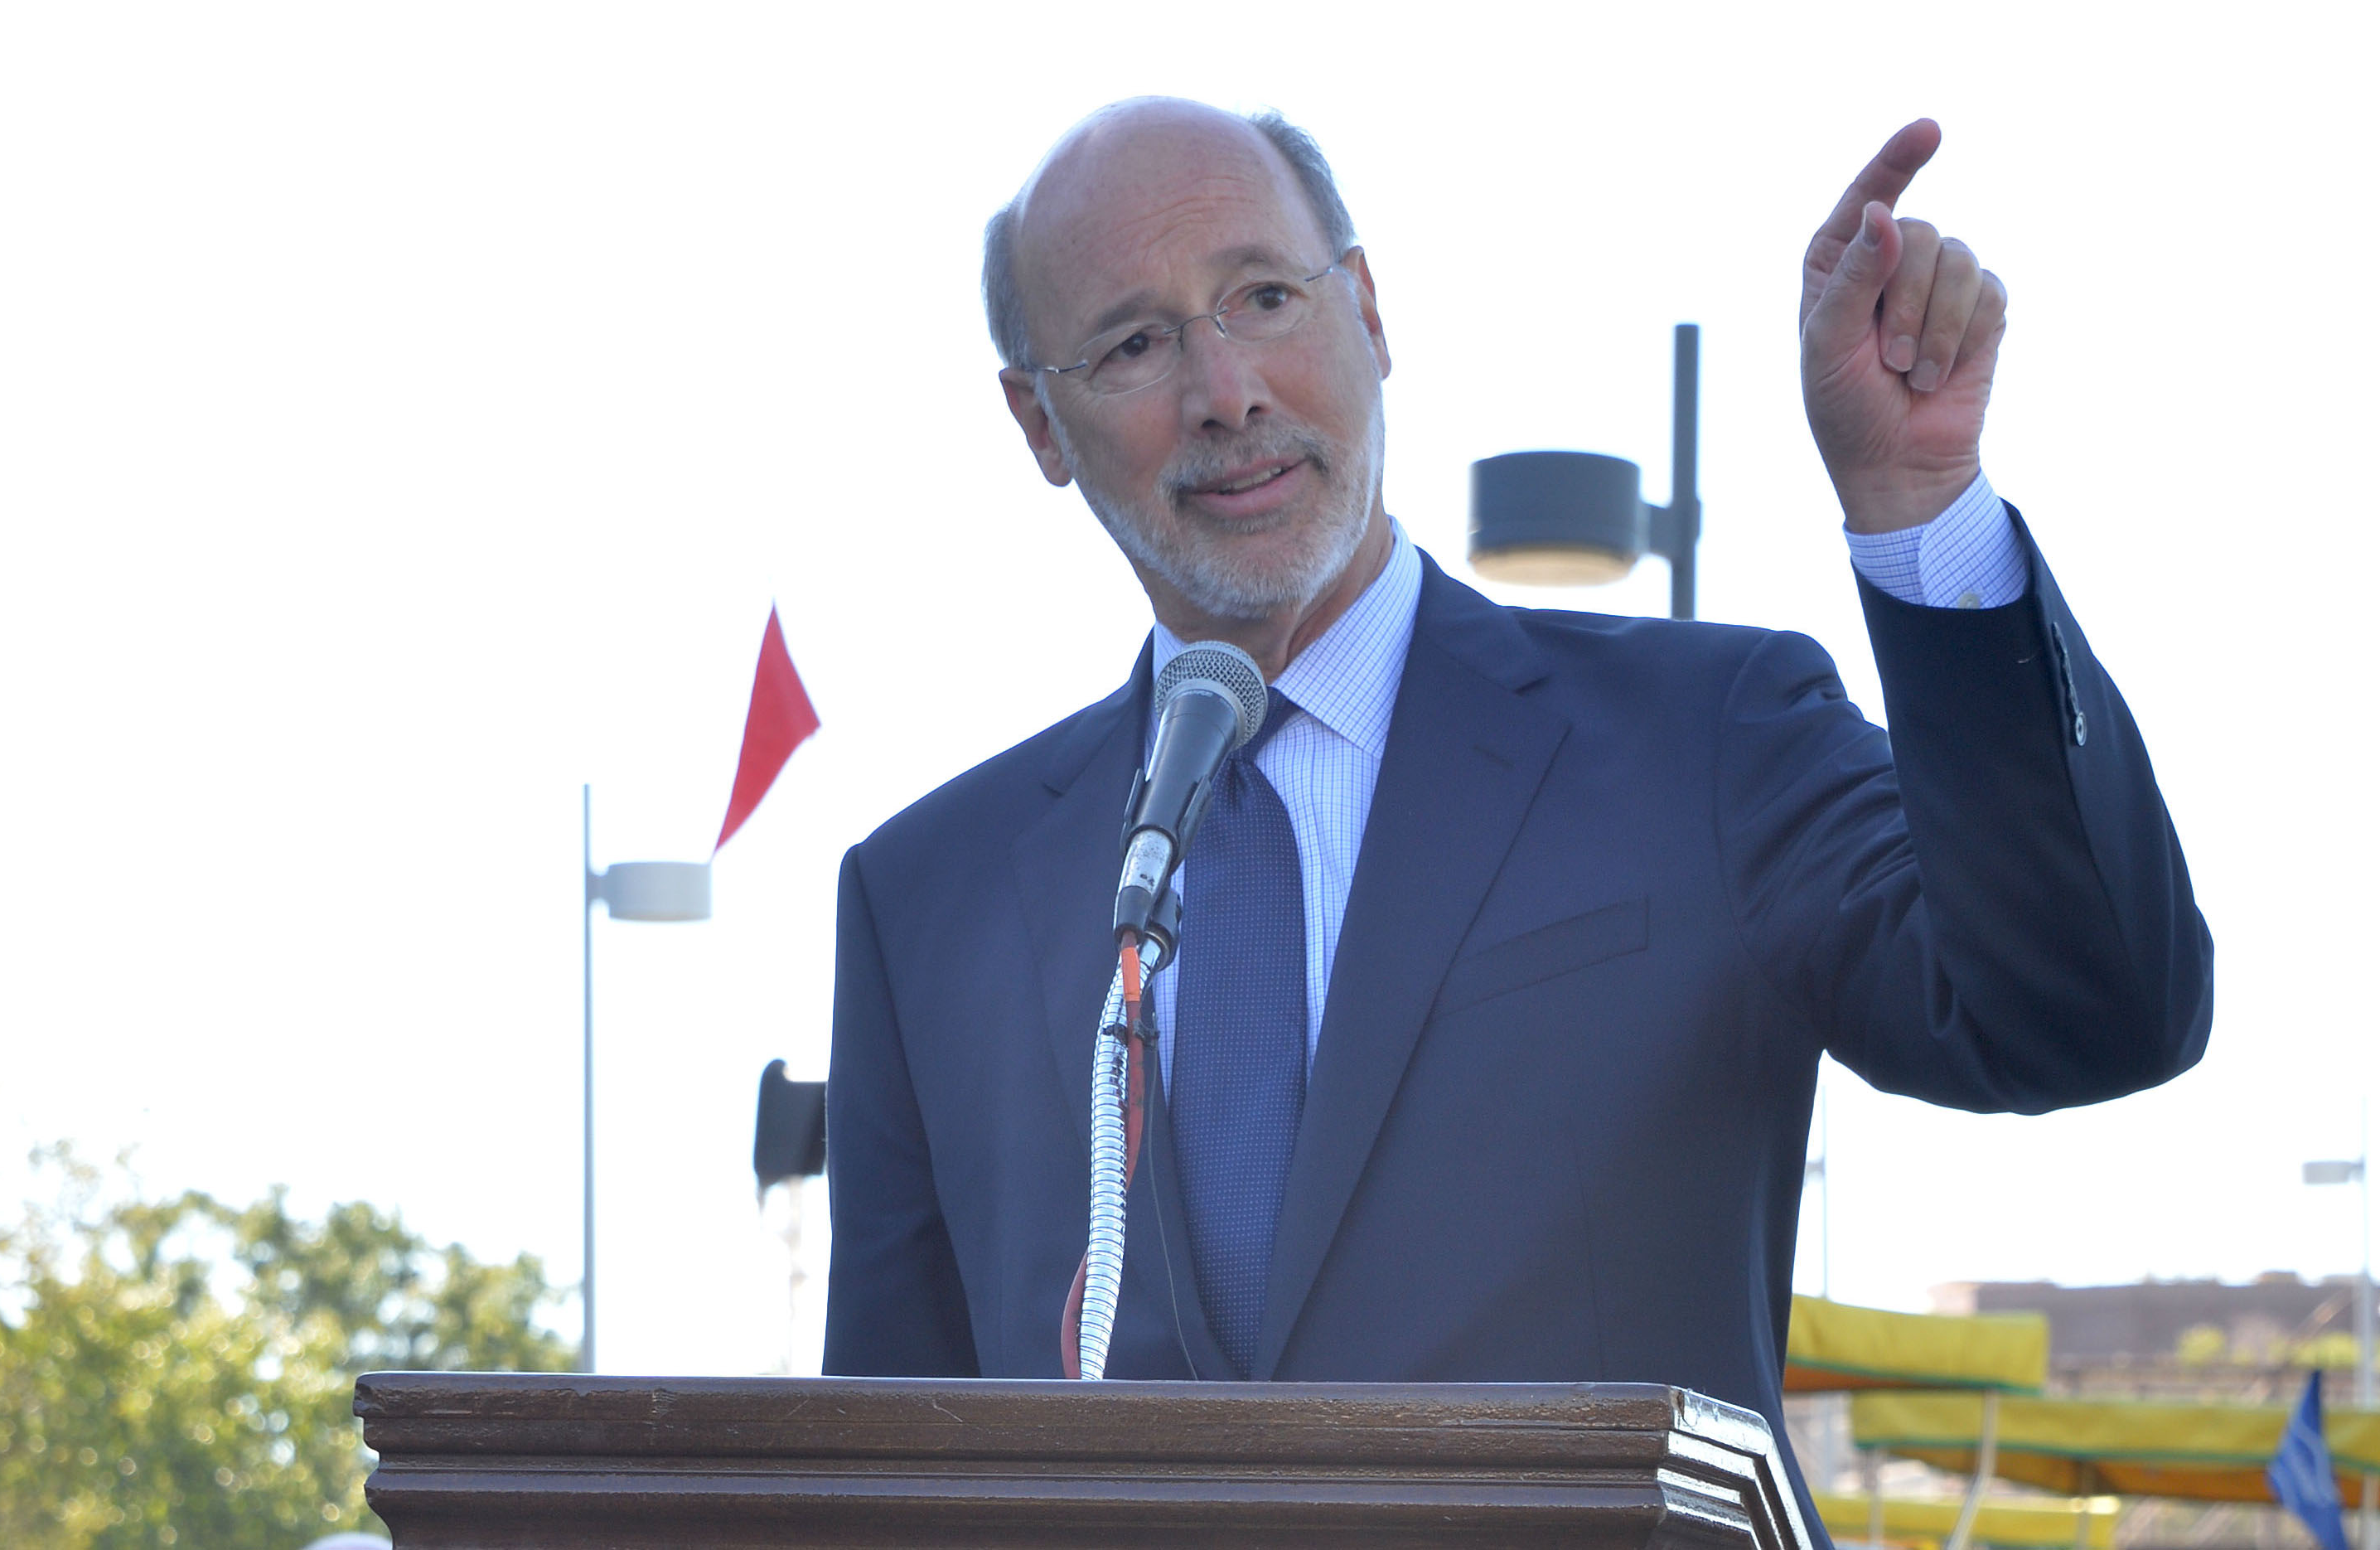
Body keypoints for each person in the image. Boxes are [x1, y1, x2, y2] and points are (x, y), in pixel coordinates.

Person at [823, 95, 2209, 1476]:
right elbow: (879, 1481)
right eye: (1134, 342)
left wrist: (1923, 510)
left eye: (1263, 295)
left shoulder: (1708, 742)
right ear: (1040, 424)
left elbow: (2087, 1014)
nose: (1226, 389)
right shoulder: (926, 900)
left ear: (1368, 311)